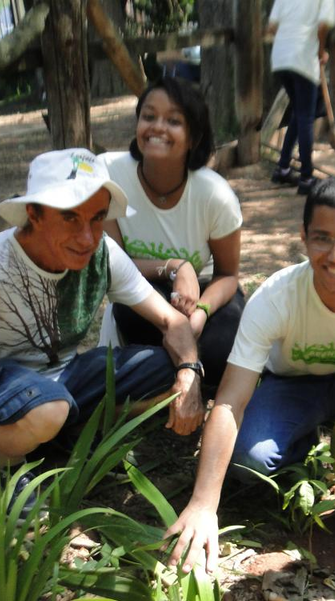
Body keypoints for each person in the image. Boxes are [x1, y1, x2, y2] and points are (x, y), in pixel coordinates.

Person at [0, 148, 205, 505]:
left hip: (65, 378)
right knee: (49, 408)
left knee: (168, 369)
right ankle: (6, 464)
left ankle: (63, 430)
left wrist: (190, 371)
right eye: (70, 218)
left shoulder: (102, 253)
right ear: (34, 214)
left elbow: (172, 320)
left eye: (96, 219)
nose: (87, 237)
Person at [164, 176, 335, 573]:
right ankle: (299, 453)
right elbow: (228, 400)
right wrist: (203, 504)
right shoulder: (276, 296)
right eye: (322, 238)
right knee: (249, 462)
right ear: (303, 236)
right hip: (292, 385)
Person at [97, 77, 244, 389]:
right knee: (131, 312)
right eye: (148, 116)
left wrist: (199, 314)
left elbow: (229, 275)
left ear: (193, 136)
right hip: (139, 294)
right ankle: (172, 374)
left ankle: (162, 376)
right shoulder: (109, 175)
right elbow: (111, 264)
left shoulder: (215, 195)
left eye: (174, 121)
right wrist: (176, 266)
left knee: (222, 345)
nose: (157, 128)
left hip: (197, 297)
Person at [267, 0, 335, 196]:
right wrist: (320, 50)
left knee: (299, 113)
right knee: (306, 116)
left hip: (281, 59)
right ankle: (306, 178)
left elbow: (272, 27)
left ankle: (283, 169)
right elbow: (323, 25)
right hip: (303, 59)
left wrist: (288, 40)